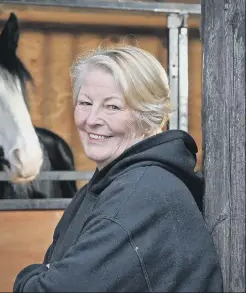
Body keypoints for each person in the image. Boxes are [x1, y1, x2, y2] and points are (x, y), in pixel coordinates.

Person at [13, 45, 223, 292]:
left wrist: (27, 277)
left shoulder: (140, 195)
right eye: (85, 102)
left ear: (148, 114)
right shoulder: (118, 180)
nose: (92, 120)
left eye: (112, 107)